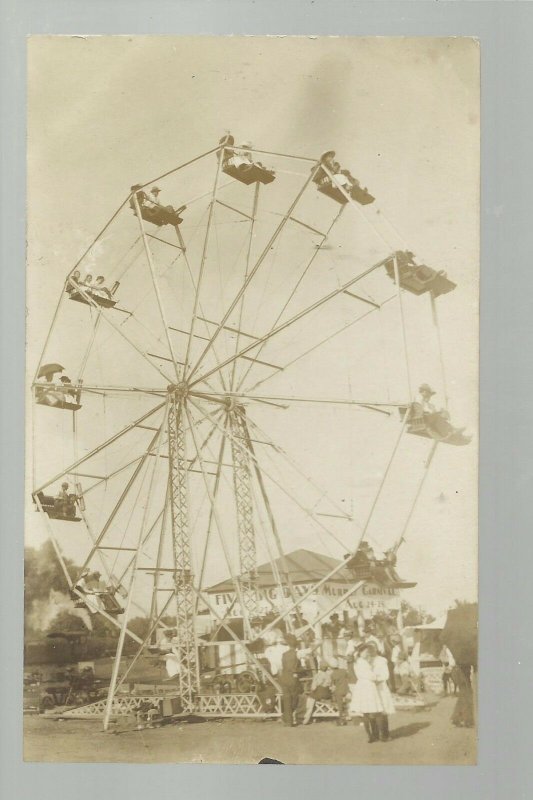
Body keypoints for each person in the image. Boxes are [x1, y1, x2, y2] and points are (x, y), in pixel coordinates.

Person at [351, 642, 395, 742]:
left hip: (380, 688)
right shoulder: (364, 661)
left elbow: (385, 675)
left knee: (381, 712)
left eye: (372, 649)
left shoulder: (381, 660)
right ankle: (374, 734)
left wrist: (377, 680)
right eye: (369, 649)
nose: (370, 651)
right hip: (370, 687)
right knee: (370, 711)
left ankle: (383, 734)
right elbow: (367, 674)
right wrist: (373, 678)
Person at [279, 634, 303, 727]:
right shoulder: (297, 654)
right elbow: (297, 668)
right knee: (294, 698)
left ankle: (288, 720)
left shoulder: (284, 655)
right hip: (293, 678)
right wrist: (301, 669)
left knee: (287, 699)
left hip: (284, 678)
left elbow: (282, 668)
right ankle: (289, 717)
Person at [329, 657, 351, 726]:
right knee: (347, 703)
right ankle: (348, 715)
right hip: (346, 689)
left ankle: (341, 716)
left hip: (338, 691)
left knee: (340, 704)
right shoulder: (344, 671)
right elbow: (349, 677)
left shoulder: (332, 674)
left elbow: (332, 685)